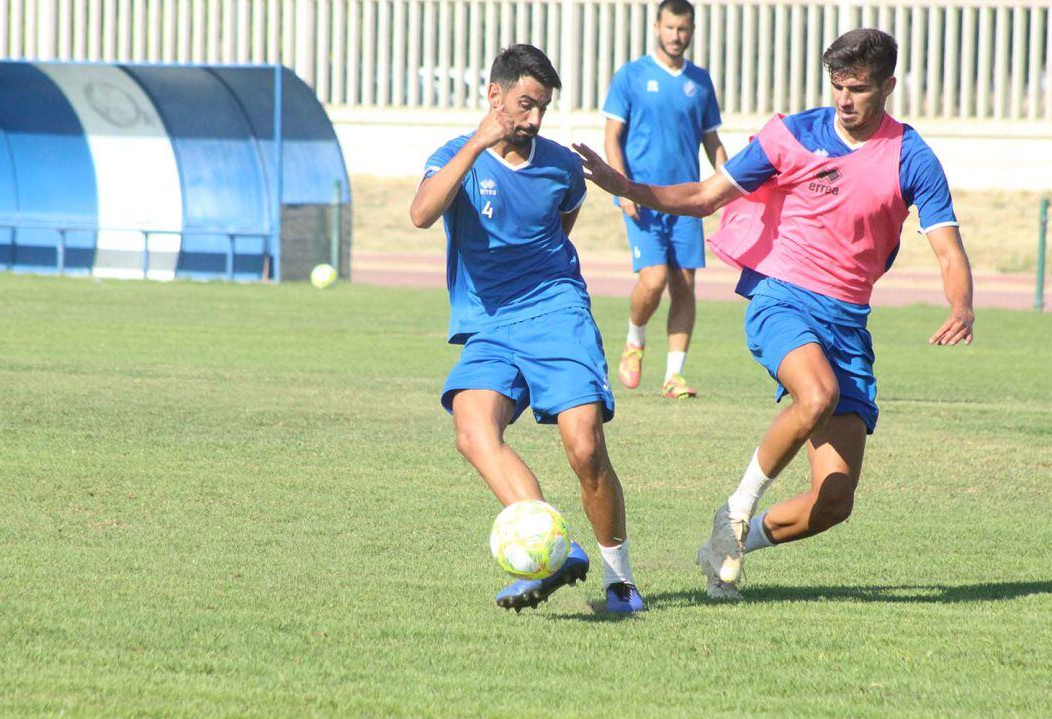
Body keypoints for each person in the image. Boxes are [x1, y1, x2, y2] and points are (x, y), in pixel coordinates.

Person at [574, 28, 974, 599]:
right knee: (816, 396)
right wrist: (626, 187)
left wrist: (961, 304)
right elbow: (707, 195)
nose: (845, 99)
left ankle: (728, 544)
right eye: (837, 86)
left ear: (887, 86)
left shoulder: (912, 156)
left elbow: (947, 247)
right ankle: (737, 509)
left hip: (848, 323)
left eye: (858, 88)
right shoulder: (791, 135)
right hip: (782, 298)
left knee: (834, 502)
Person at [409, 44, 646, 613]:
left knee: (585, 447)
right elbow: (420, 214)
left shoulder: (562, 166)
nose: (534, 119)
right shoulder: (454, 157)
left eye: (542, 107)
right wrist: (477, 145)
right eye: (524, 104)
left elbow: (560, 226)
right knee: (473, 429)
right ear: (494, 97)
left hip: (556, 310)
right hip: (489, 325)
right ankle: (554, 554)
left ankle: (620, 581)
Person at [601, 0, 728, 399]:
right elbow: (611, 138)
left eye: (684, 29)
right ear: (657, 27)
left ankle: (674, 376)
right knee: (653, 280)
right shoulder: (631, 76)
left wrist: (730, 184)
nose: (677, 36)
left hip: (688, 200)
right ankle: (635, 341)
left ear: (691, 31)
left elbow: (712, 142)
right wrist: (622, 188)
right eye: (670, 28)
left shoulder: (700, 82)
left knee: (684, 284)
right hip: (643, 197)